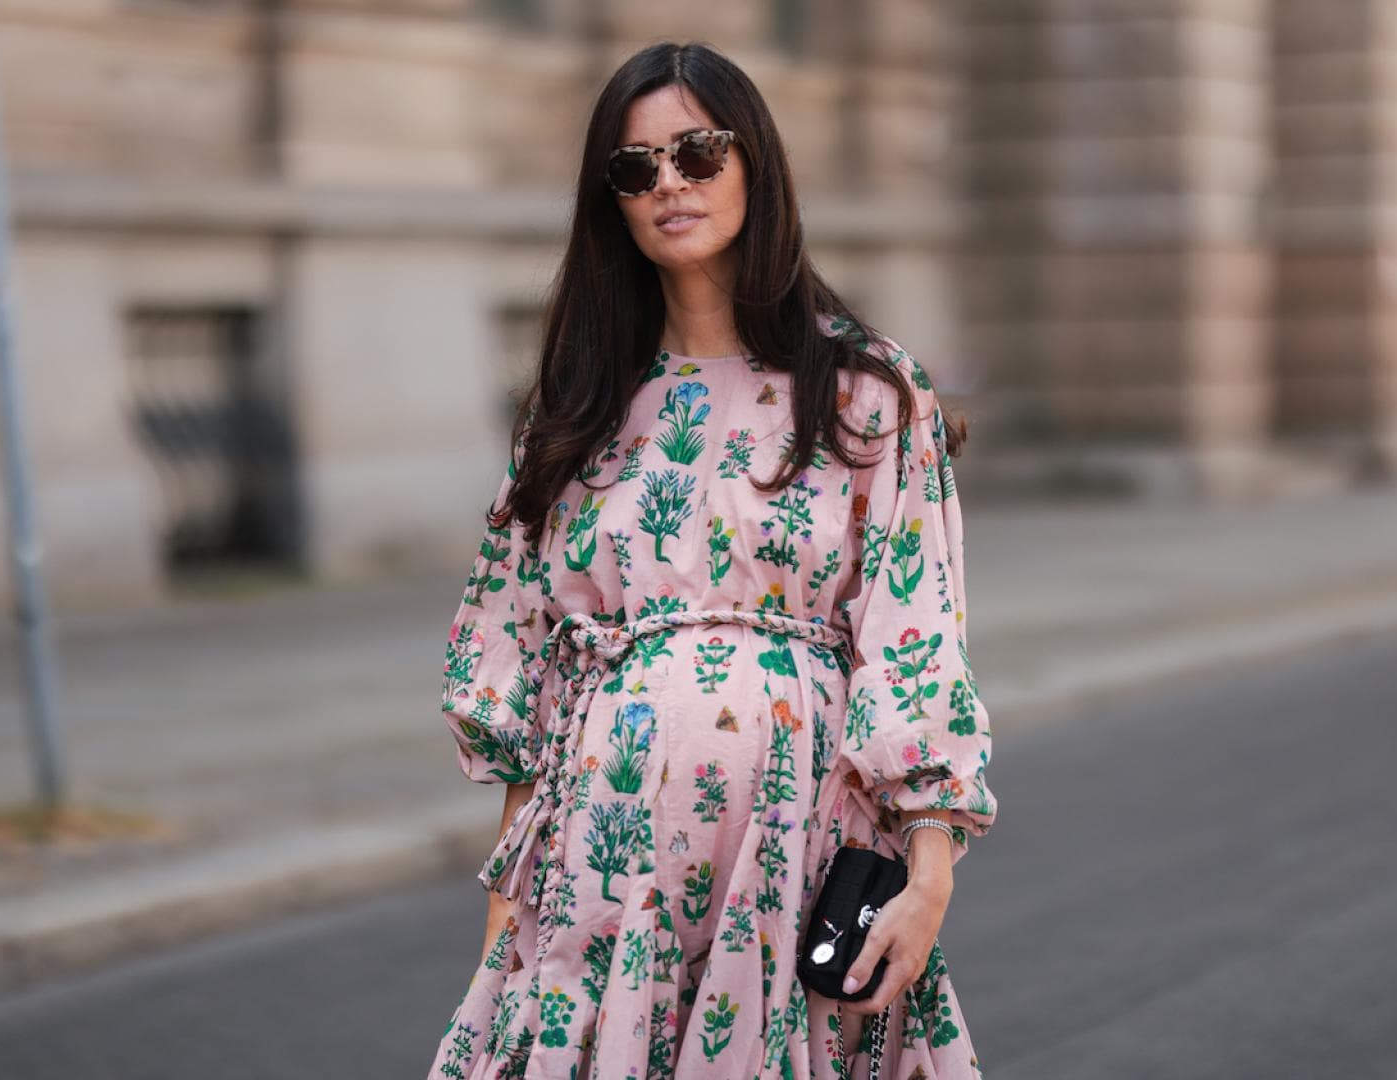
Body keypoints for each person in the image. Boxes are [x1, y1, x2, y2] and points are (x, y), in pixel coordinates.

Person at [427, 39, 997, 1080]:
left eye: (697, 152)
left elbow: (913, 638)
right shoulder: (575, 413)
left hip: (798, 850)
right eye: (634, 169)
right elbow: (525, 676)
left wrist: (930, 874)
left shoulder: (867, 396)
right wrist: (507, 915)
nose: (669, 186)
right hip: (604, 864)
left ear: (755, 165)